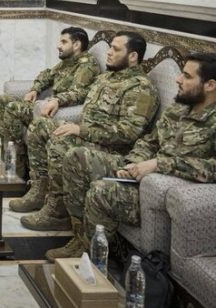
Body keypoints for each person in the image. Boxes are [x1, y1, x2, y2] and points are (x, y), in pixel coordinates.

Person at [46, 52, 216, 260]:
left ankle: (92, 255)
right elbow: (150, 141)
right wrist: (132, 163)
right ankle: (80, 236)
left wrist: (159, 165)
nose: (178, 80)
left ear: (210, 85)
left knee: (101, 191)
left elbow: (211, 169)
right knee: (77, 157)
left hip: (162, 189)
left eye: (187, 76)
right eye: (181, 73)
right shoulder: (179, 108)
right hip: (141, 171)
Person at [14, 31, 160, 231]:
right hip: (88, 136)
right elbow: (81, 93)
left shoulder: (141, 88)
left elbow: (127, 134)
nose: (109, 52)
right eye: (110, 47)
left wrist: (81, 130)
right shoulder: (106, 77)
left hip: (112, 149)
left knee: (60, 142)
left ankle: (58, 212)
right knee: (41, 126)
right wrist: (59, 101)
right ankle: (39, 192)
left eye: (115, 49)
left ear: (133, 56)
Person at [0, 27, 100, 181]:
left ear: (76, 45)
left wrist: (58, 100)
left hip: (57, 111)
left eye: (64, 42)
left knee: (12, 108)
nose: (58, 45)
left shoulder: (87, 65)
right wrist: (35, 89)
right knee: (3, 100)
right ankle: (2, 155)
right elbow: (47, 75)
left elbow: (80, 93)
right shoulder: (67, 62)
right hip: (45, 104)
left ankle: (17, 168)